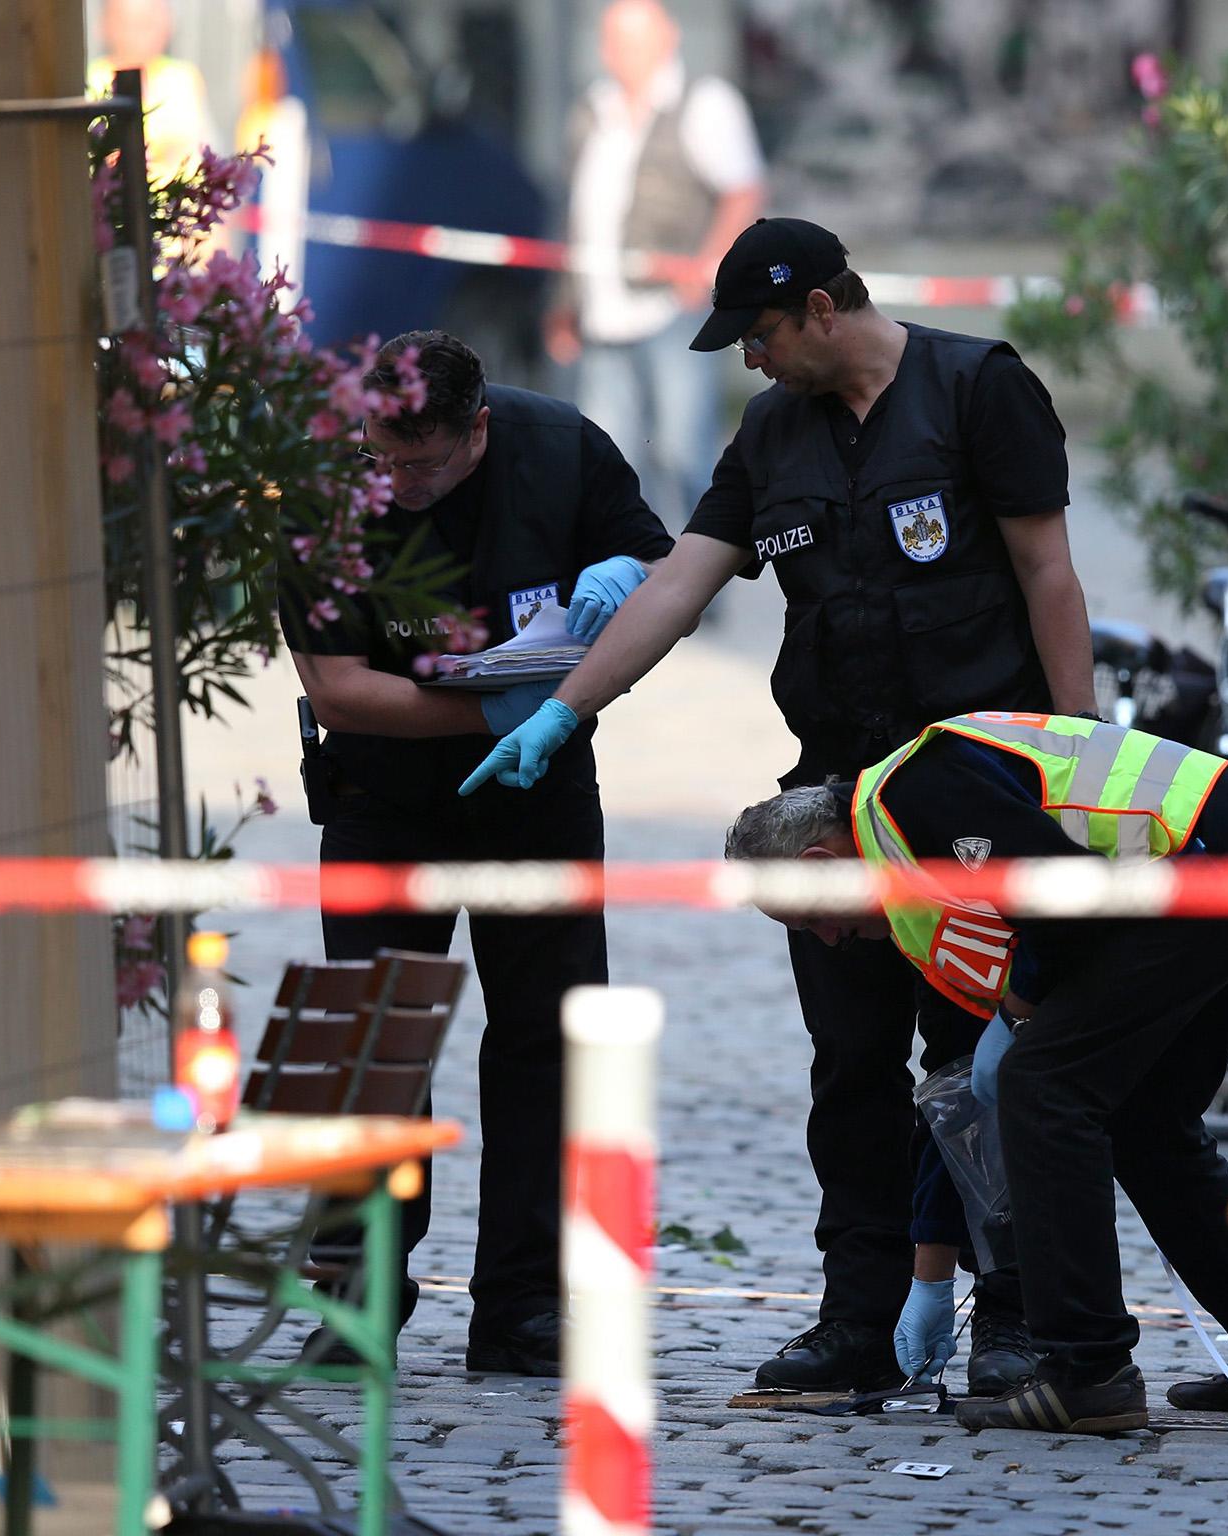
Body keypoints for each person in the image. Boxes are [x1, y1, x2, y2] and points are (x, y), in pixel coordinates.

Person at [466, 216, 1098, 1396]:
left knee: (985, 1068)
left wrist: (1071, 770)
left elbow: (1047, 574)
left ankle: (1016, 1315)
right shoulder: (771, 433)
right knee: (849, 1071)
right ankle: (854, 1317)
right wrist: (569, 707)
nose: (746, 360)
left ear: (817, 307)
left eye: (757, 333)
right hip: (835, 805)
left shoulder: (977, 391)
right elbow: (679, 583)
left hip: (978, 800)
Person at [721, 710, 1228, 1433]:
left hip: (1223, 856)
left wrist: (1021, 1014)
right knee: (1145, 1124)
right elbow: (964, 1091)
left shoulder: (916, 791)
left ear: (819, 866)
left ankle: (1088, 1370)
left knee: (1046, 1087)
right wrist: (928, 1278)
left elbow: (1064, 898)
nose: (828, 941)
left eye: (809, 922)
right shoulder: (913, 882)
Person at [277, 331, 672, 1376]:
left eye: (427, 464)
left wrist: (616, 581)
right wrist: (501, 707)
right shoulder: (326, 487)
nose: (400, 485)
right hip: (380, 795)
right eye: (383, 459)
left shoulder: (557, 447)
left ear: (478, 428)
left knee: (544, 1037)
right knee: (369, 1040)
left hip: (535, 791)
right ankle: (358, 1294)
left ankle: (523, 1305)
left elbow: (659, 565)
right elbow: (342, 689)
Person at [543, 0, 766, 522]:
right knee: (607, 457)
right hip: (602, 314)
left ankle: (701, 584)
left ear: (667, 40)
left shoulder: (705, 103)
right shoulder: (593, 109)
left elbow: (744, 191)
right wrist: (564, 303)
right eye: (615, 41)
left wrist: (707, 265)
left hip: (671, 311)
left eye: (636, 41)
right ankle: (633, 578)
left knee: (682, 455)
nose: (623, 54)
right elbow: (574, 215)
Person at [87, 0, 214, 184]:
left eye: (150, 22)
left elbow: (197, 149)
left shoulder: (183, 79)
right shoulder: (93, 80)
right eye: (132, 23)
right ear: (106, 25)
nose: (141, 35)